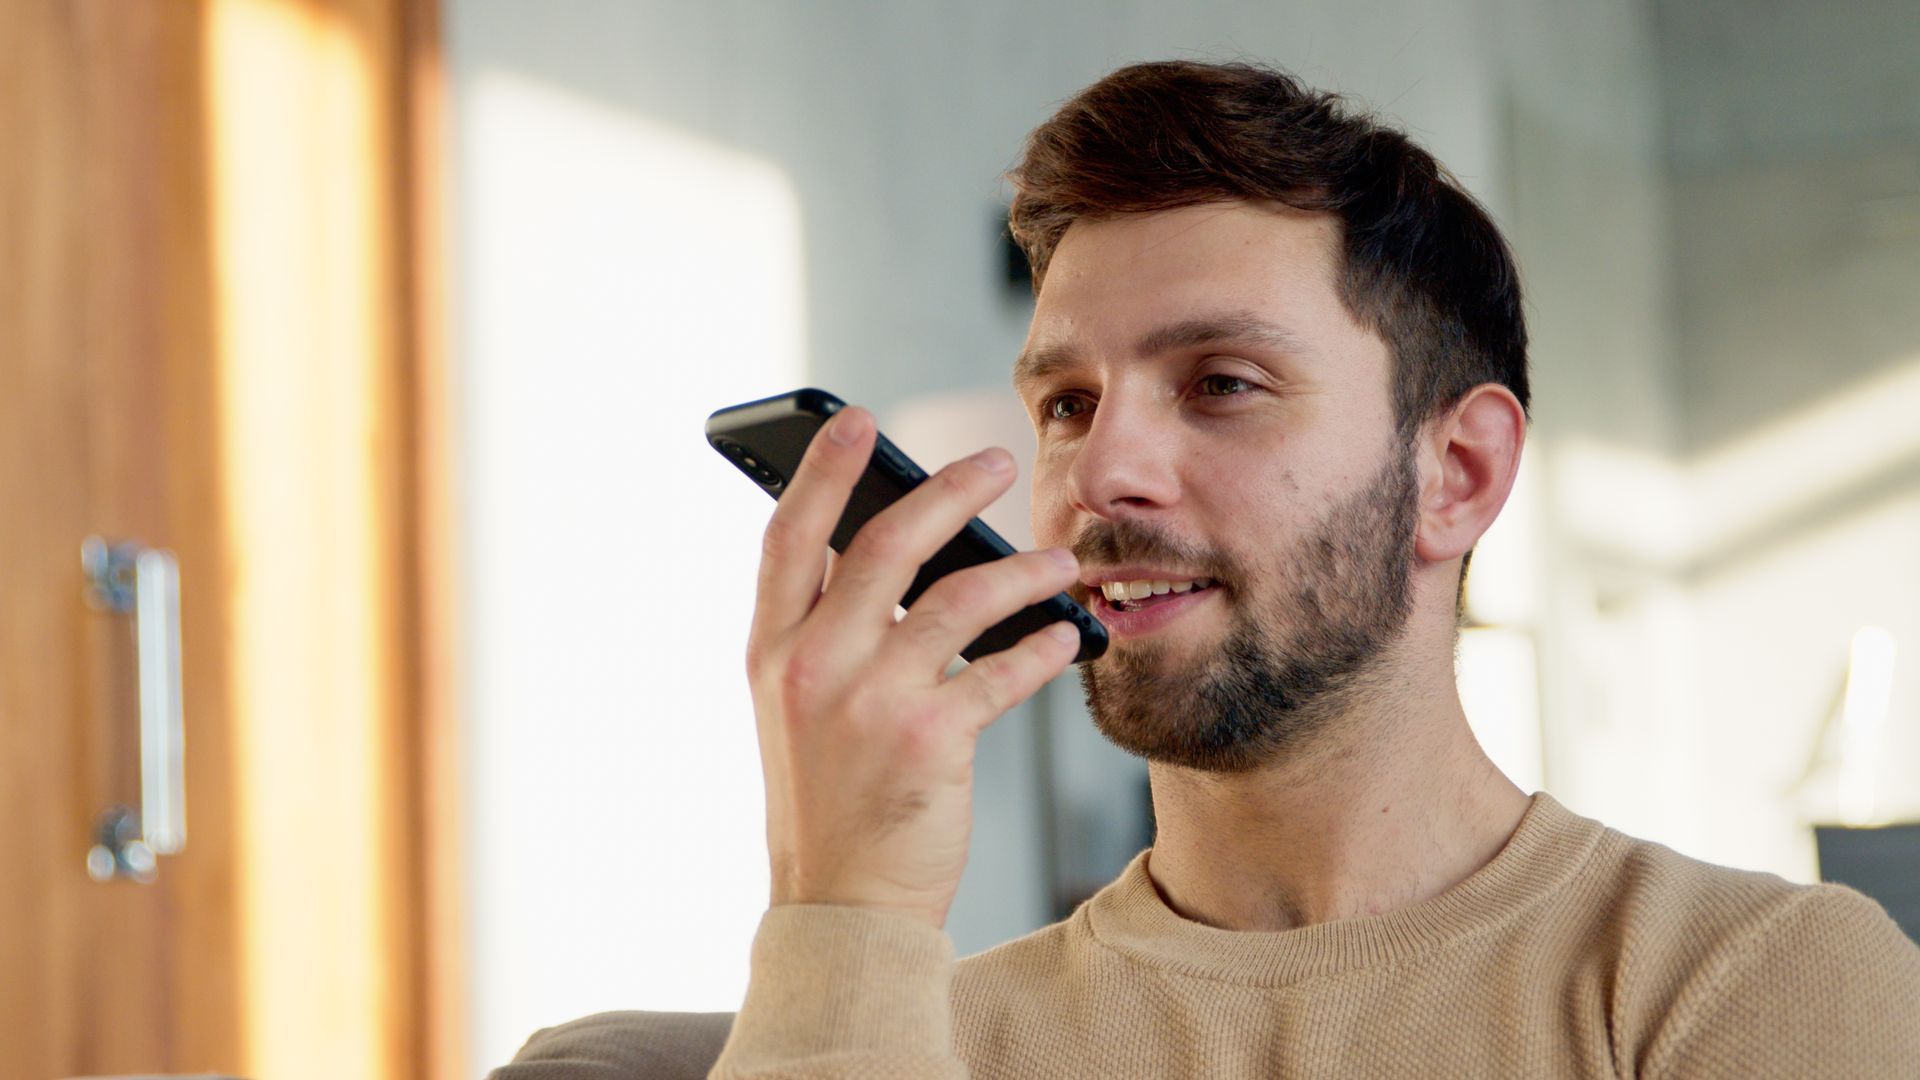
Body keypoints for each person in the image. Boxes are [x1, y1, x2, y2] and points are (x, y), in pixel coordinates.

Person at [499, 60, 1920, 1078]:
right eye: (1065, 403)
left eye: (1223, 383)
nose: (1103, 473)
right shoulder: (926, 1036)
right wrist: (845, 913)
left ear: (1460, 474)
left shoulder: (1747, 984)